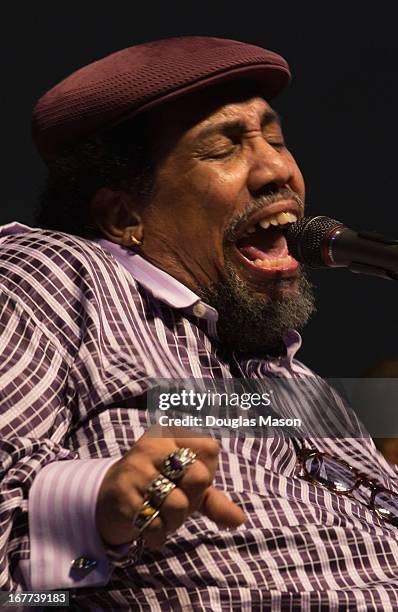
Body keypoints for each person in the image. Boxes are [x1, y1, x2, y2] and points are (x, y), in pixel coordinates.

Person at [1, 36, 398, 611]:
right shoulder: (59, 274)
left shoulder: (297, 384)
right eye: (225, 147)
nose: (277, 170)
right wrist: (94, 507)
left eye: (277, 138)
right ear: (123, 215)